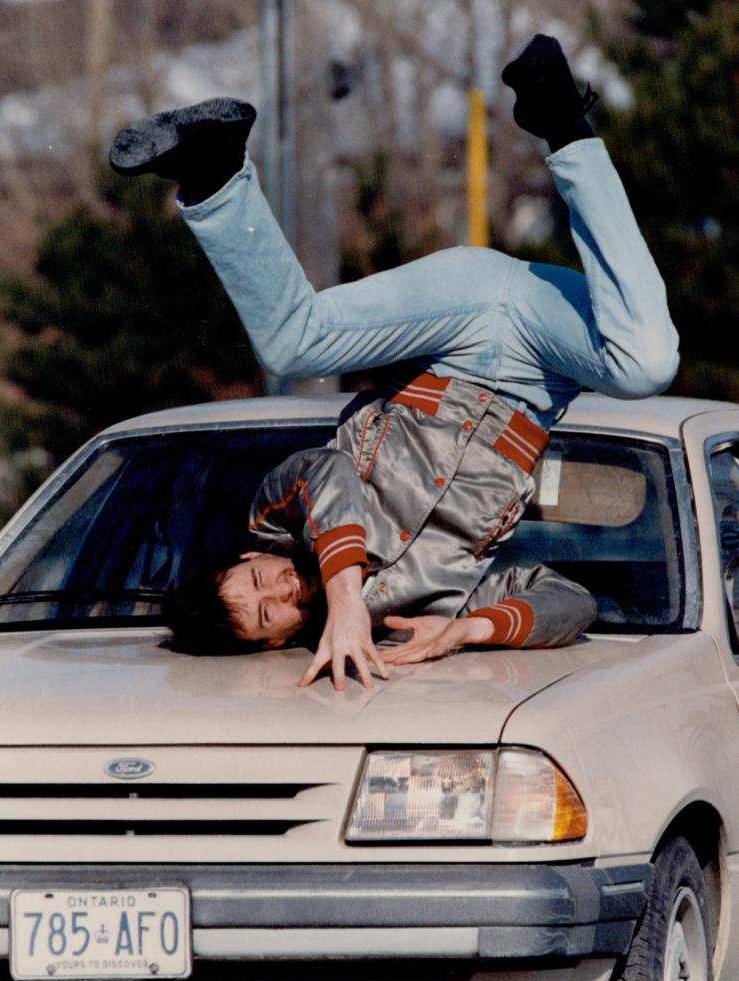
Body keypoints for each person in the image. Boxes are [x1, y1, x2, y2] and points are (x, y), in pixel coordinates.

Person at [110, 35, 679, 690]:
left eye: (258, 580)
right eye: (271, 614)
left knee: (293, 345)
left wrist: (346, 598)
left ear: (241, 558)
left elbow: (326, 475)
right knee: (646, 364)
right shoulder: (418, 608)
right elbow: (568, 600)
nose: (283, 589)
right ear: (282, 641)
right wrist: (468, 628)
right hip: (538, 365)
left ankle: (212, 170)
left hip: (451, 328)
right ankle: (562, 121)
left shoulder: (274, 517)